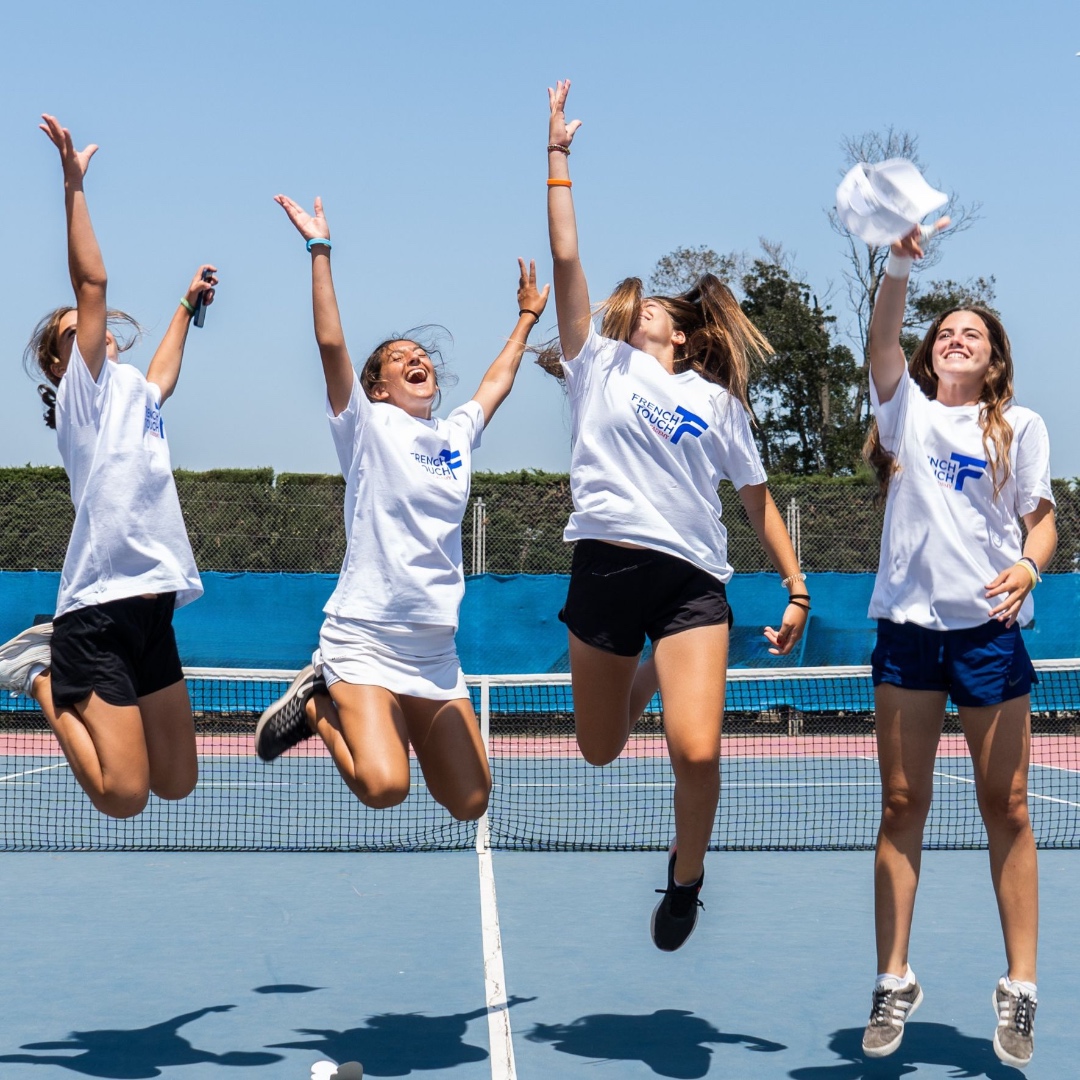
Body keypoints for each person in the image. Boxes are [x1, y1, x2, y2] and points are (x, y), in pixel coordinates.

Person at [543, 81, 808, 951]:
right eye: (643, 305)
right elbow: (568, 261)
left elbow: (756, 500)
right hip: (605, 567)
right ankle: (649, 669)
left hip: (693, 579)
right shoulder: (596, 362)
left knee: (696, 751)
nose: (647, 306)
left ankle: (685, 880)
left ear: (687, 336)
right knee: (600, 747)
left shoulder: (717, 402)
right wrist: (557, 160)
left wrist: (797, 586)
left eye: (662, 307)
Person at [256, 192, 548, 824]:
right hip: (364, 636)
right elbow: (331, 342)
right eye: (398, 358)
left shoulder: (455, 435)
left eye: (421, 356)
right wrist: (319, 248)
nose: (416, 359)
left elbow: (496, 382)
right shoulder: (364, 425)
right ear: (378, 387)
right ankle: (317, 703)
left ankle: (385, 716)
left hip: (433, 649)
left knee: (471, 801)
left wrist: (526, 318)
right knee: (385, 786)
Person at [859, 221, 1056, 1068]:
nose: (955, 337)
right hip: (909, 635)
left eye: (972, 333)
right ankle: (892, 978)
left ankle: (1020, 989)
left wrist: (1029, 566)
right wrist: (900, 265)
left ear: (994, 358)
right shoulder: (903, 412)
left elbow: (1042, 524)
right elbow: (881, 339)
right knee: (901, 806)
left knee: (1006, 808)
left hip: (989, 637)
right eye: (945, 331)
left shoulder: (1020, 426)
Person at [0, 115, 214, 819]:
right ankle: (39, 673)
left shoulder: (135, 395)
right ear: (59, 364)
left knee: (176, 782)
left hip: (152, 604)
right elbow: (92, 282)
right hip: (96, 611)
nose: (90, 329)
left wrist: (185, 303)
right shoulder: (81, 397)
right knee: (123, 797)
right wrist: (73, 185)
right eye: (72, 333)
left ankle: (51, 670)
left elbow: (164, 372)